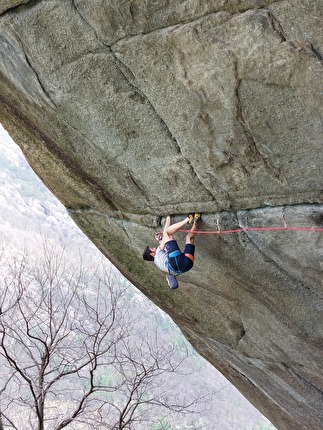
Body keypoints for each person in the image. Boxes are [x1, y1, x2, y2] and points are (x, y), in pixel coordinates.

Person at [142, 213, 201, 282]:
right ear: (152, 254)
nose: (153, 248)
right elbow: (165, 234)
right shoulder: (158, 252)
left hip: (187, 266)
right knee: (167, 233)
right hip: (175, 262)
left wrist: (160, 239)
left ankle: (196, 221)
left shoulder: (158, 263)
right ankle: (188, 219)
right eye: (151, 249)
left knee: (189, 238)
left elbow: (166, 244)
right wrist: (168, 216)